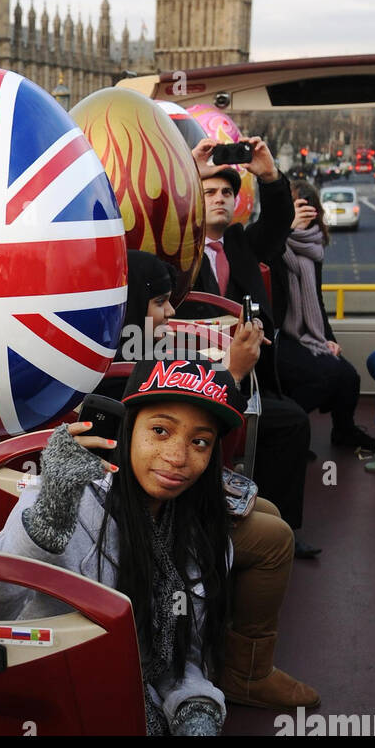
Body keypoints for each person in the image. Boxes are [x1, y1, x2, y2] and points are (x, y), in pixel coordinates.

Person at [0, 353, 241, 735]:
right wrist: (46, 523)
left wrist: (195, 708)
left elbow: (180, 661)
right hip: (42, 701)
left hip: (133, 701)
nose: (177, 457)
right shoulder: (57, 501)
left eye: (200, 441)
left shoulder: (207, 542)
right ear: (127, 429)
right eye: (160, 430)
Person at [99, 250, 318, 709]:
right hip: (131, 503)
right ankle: (246, 671)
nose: (171, 313)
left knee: (269, 512)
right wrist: (234, 373)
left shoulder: (110, 344)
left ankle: (219, 640)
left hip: (154, 489)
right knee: (274, 538)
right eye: (159, 303)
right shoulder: (111, 370)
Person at [182, 138, 319, 559]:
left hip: (249, 378)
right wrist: (184, 171)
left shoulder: (242, 244)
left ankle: (278, 529)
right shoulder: (178, 250)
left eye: (226, 192)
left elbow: (278, 222)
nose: (219, 199)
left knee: (292, 424)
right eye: (208, 192)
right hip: (192, 377)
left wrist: (269, 176)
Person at [270, 180, 375, 453]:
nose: (305, 212)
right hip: (279, 334)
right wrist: (286, 229)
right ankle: (289, 430)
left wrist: (330, 339)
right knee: (324, 376)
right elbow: (269, 270)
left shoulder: (314, 249)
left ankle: (344, 430)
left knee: (349, 376)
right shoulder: (271, 244)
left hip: (309, 334)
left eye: (309, 207)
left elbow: (315, 300)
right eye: (297, 206)